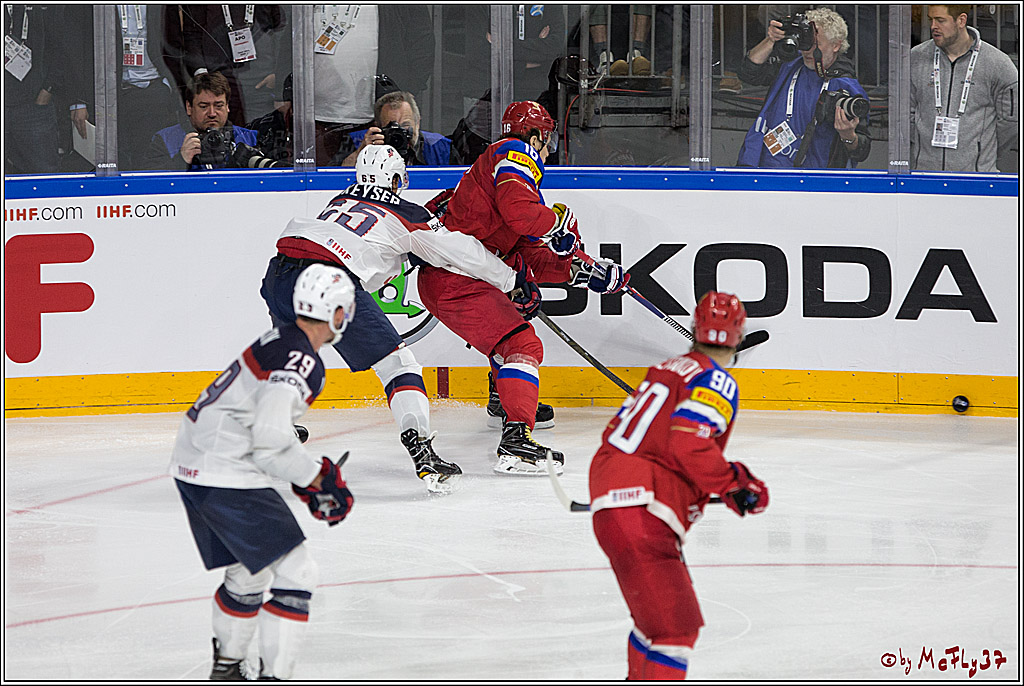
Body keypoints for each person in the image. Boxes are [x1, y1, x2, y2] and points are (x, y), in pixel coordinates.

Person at [260, 145, 532, 493]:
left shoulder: (338, 201)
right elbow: (462, 253)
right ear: (394, 179)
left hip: (279, 272)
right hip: (327, 279)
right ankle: (422, 450)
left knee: (291, 356)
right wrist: (510, 279)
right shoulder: (406, 211)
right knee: (399, 365)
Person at [418, 101, 629, 475]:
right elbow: (524, 215)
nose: (546, 148)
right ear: (536, 134)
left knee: (511, 327)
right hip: (456, 274)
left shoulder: (506, 179)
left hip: (459, 275)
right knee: (523, 344)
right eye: (545, 138)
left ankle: (504, 401)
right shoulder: (514, 152)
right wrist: (559, 223)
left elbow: (533, 253)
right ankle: (516, 442)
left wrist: (588, 273)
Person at [169, 264, 357, 681]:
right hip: (224, 470)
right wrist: (315, 478)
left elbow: (264, 432)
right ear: (338, 313)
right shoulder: (303, 358)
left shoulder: (281, 339)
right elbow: (271, 438)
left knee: (248, 571)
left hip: (194, 462)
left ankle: (227, 668)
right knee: (298, 571)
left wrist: (308, 475)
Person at [588, 291, 769, 680]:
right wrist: (734, 482)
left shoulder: (667, 368)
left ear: (693, 327)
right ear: (738, 336)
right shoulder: (715, 378)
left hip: (613, 499)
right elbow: (688, 441)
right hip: (643, 507)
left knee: (653, 625)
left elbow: (628, 434)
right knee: (675, 631)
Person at [736, 7, 872, 169]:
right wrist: (771, 40)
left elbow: (862, 151)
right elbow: (748, 73)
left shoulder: (847, 85)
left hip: (815, 180)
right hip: (764, 169)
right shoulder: (789, 65)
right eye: (806, 42)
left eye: (817, 44)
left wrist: (848, 135)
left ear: (836, 45)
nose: (808, 50)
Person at [909, 4, 1019, 173]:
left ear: (961, 21)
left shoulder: (999, 65)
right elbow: (905, 112)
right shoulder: (915, 57)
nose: (933, 27)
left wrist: (983, 150)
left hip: (977, 178)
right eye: (931, 19)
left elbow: (1010, 123)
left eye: (940, 20)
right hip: (924, 175)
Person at [143, 71, 279, 170]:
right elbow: (147, 187)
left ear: (227, 107)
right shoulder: (164, 140)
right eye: (204, 106)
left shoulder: (251, 138)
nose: (212, 113)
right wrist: (181, 160)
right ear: (189, 107)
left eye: (219, 106)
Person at [181, 4, 291, 127]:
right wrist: (203, 76)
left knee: (258, 134)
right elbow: (192, 34)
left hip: (262, 81)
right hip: (217, 81)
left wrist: (277, 73)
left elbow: (280, 29)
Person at [4, 4, 61, 175]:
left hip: (34, 104)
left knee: (43, 174)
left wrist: (48, 89)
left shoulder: (43, 8)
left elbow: (60, 46)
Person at [342, 90, 451, 167]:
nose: (400, 132)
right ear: (378, 127)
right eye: (391, 127)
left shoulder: (441, 148)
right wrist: (362, 152)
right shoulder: (357, 142)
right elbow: (335, 179)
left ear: (418, 122)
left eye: (405, 125)